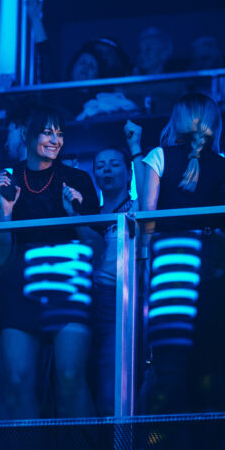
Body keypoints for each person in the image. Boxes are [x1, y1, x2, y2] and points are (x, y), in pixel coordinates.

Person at [0, 106, 100, 422]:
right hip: (21, 287)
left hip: (68, 283)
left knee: (69, 376)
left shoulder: (77, 179)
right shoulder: (9, 179)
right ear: (28, 135)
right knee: (18, 380)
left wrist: (73, 215)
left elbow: (97, 246)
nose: (55, 140)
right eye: (47, 132)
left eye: (60, 133)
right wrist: (6, 212)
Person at [131, 93, 225, 414]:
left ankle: (166, 437)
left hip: (170, 264)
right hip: (211, 267)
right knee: (207, 358)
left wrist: (143, 266)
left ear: (178, 120)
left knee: (169, 360)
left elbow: (148, 217)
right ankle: (210, 438)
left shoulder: (159, 156)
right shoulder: (224, 165)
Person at [88, 146, 136, 415]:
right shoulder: (91, 213)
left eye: (114, 164)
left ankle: (117, 439)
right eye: (100, 165)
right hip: (87, 299)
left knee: (112, 383)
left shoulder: (138, 209)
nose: (106, 169)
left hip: (119, 298)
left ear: (129, 174)